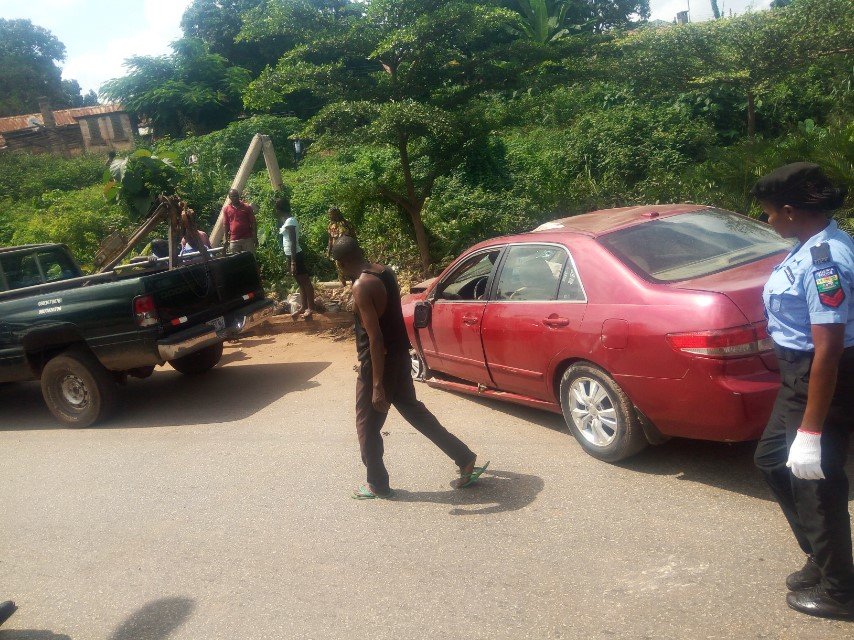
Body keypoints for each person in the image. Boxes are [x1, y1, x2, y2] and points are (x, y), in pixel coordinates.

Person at [752, 162, 854, 620]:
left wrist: (811, 431)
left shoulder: (824, 261)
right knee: (772, 459)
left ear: (791, 211)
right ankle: (820, 554)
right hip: (797, 375)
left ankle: (840, 591)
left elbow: (829, 348)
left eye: (770, 213)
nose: (768, 221)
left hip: (820, 377)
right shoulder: (808, 244)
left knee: (816, 485)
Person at [330, 236, 488, 499]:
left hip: (379, 364)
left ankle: (376, 484)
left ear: (343, 262)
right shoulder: (383, 272)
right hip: (399, 358)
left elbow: (376, 338)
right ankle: (464, 457)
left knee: (367, 426)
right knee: (414, 411)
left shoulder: (361, 286)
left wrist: (377, 383)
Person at [277, 199, 317, 320]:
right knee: (300, 282)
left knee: (305, 281)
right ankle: (304, 306)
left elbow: (293, 242)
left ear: (279, 210)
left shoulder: (290, 221)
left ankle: (311, 307)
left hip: (296, 255)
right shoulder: (286, 221)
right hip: (290, 255)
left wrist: (293, 262)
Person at [326, 206, 356, 286]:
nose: (330, 216)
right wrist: (329, 251)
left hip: (347, 250)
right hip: (337, 251)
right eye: (329, 214)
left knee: (350, 268)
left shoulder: (346, 224)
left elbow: (352, 236)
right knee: (339, 269)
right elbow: (330, 239)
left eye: (332, 214)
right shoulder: (330, 225)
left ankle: (354, 286)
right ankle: (344, 286)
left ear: (337, 214)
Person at [223, 189, 257, 254]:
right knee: (236, 261)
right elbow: (226, 224)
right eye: (233, 196)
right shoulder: (226, 209)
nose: (235, 198)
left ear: (239, 196)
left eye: (236, 196)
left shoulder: (247, 207)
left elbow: (253, 222)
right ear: (229, 197)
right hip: (234, 240)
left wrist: (255, 237)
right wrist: (225, 238)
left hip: (247, 239)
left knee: (251, 259)